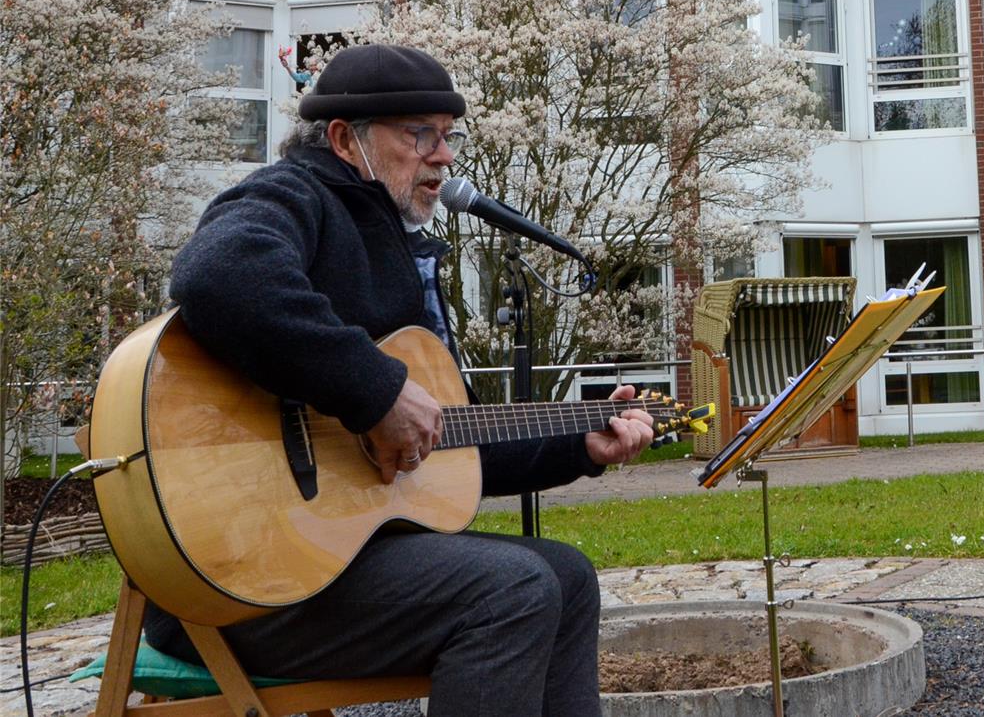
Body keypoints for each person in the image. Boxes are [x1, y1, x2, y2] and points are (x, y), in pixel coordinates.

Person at [143, 44, 655, 717]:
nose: (443, 156)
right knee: (513, 589)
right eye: (421, 135)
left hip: (334, 563)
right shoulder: (293, 195)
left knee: (569, 577)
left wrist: (582, 445)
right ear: (343, 140)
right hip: (243, 577)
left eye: (448, 137)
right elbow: (218, 275)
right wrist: (375, 393)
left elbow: (447, 444)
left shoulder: (397, 244)